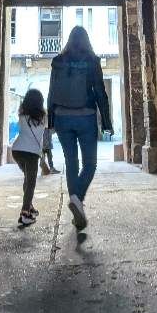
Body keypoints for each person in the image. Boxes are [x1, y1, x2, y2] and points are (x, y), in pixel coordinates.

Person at [47, 26, 113, 230]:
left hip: (62, 118)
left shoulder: (58, 61)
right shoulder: (92, 60)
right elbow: (101, 92)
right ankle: (77, 198)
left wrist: (51, 122)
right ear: (86, 40)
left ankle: (77, 212)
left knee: (71, 162)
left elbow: (51, 92)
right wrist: (107, 123)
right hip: (86, 117)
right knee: (90, 164)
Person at [11, 88, 46, 227]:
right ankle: (25, 213)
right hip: (31, 153)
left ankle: (29, 206)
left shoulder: (22, 115)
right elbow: (51, 128)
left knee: (28, 179)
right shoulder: (44, 117)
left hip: (17, 151)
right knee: (30, 182)